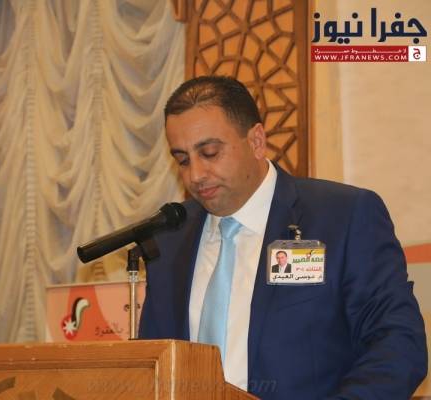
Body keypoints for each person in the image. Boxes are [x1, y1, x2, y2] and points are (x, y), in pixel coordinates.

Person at [138, 76, 427, 399]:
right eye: (182, 159)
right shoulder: (170, 238)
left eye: (210, 153)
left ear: (256, 141)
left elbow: (397, 344)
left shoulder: (342, 217)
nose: (195, 175)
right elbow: (151, 365)